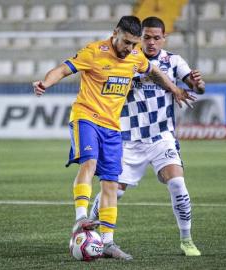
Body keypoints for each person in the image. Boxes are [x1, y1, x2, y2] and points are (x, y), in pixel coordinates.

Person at [33, 16, 194, 260]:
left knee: (110, 184)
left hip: (112, 127)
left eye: (133, 44)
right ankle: (80, 219)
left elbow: (156, 72)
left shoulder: (136, 57)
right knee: (89, 162)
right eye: (126, 42)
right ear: (115, 33)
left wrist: (175, 89)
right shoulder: (94, 51)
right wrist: (45, 83)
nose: (129, 48)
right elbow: (63, 69)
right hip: (86, 117)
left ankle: (107, 242)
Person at [89, 16, 205, 256]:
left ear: (164, 38)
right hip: (128, 139)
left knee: (177, 183)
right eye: (146, 37)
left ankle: (187, 240)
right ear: (139, 38)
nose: (151, 42)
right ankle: (89, 232)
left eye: (156, 38)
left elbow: (194, 86)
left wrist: (197, 85)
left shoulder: (173, 61)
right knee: (114, 192)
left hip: (161, 137)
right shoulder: (126, 59)